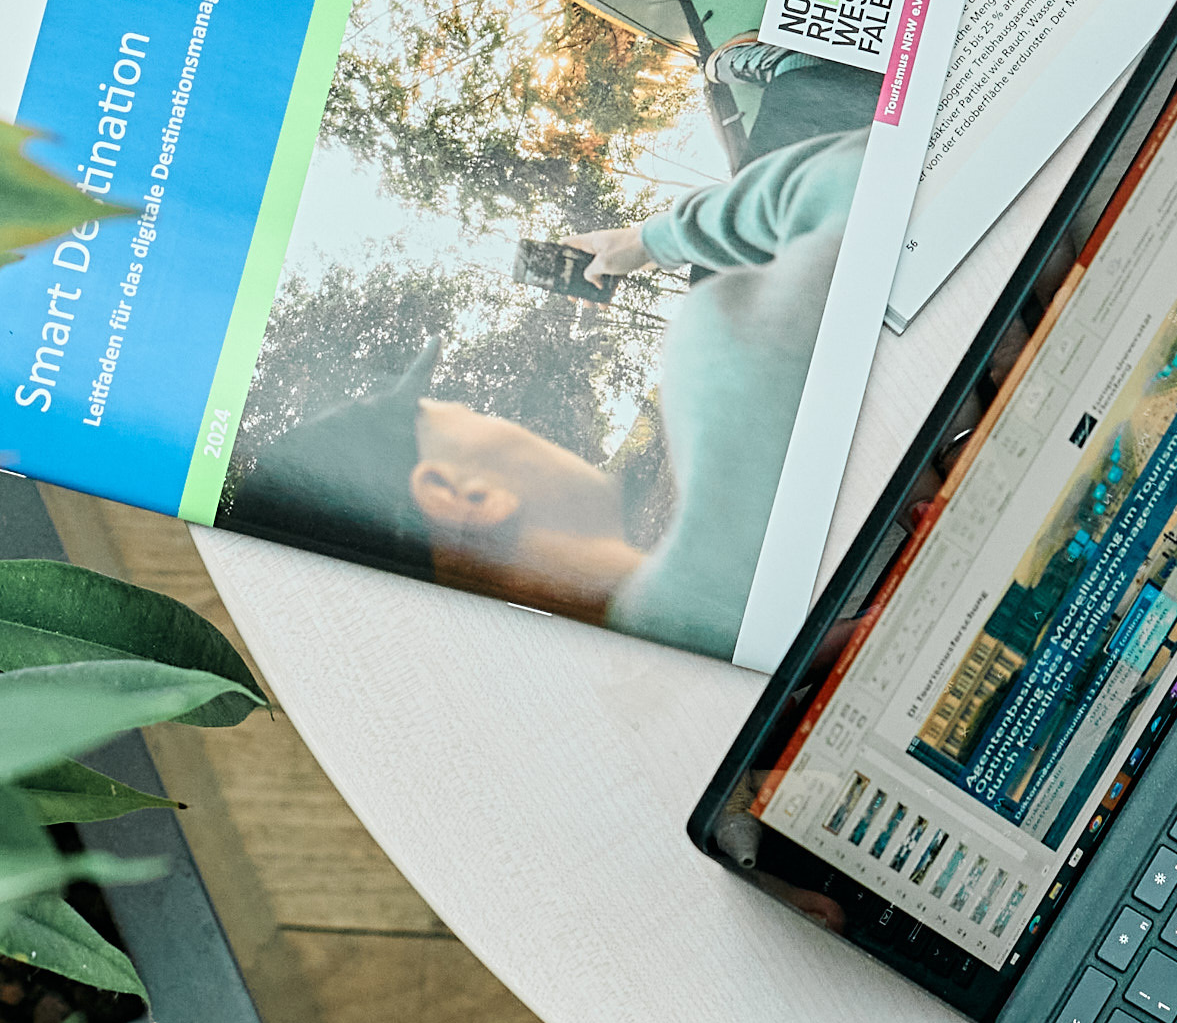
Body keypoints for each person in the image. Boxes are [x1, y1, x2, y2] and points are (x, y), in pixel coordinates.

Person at [223, 128, 865, 655]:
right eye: (460, 412)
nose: (504, 422)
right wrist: (650, 241)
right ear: (461, 495)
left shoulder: (696, 665)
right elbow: (863, 187)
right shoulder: (725, 364)